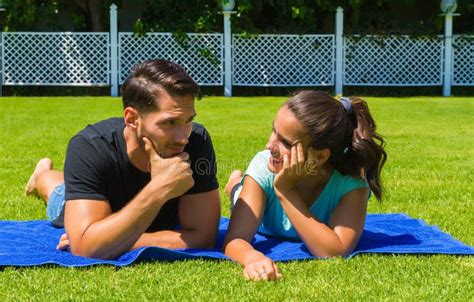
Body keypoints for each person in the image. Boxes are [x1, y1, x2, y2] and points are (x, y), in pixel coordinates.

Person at [25, 59, 221, 260]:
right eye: (170, 122)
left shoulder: (196, 141)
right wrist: (160, 188)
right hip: (95, 200)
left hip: (111, 224)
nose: (183, 137)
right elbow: (87, 250)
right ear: (131, 119)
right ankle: (42, 174)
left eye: (189, 120)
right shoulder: (90, 147)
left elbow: (203, 237)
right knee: (58, 194)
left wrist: (115, 240)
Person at [223, 90, 387, 281]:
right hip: (258, 203)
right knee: (239, 196)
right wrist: (252, 257)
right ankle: (234, 185)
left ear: (320, 156)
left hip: (282, 190)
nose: (269, 145)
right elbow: (235, 239)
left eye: (285, 142)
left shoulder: (351, 185)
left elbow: (336, 250)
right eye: (273, 131)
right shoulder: (263, 166)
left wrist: (285, 190)